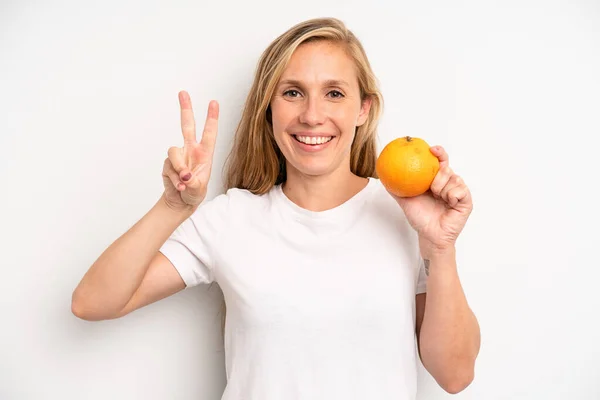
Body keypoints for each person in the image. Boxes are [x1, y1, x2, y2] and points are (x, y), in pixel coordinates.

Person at [72, 17, 480, 400]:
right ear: (269, 109)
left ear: (363, 109)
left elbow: (455, 374)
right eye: (292, 92)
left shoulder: (407, 217)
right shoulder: (230, 219)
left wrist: (440, 247)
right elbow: (92, 302)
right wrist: (172, 206)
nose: (312, 115)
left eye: (334, 93)